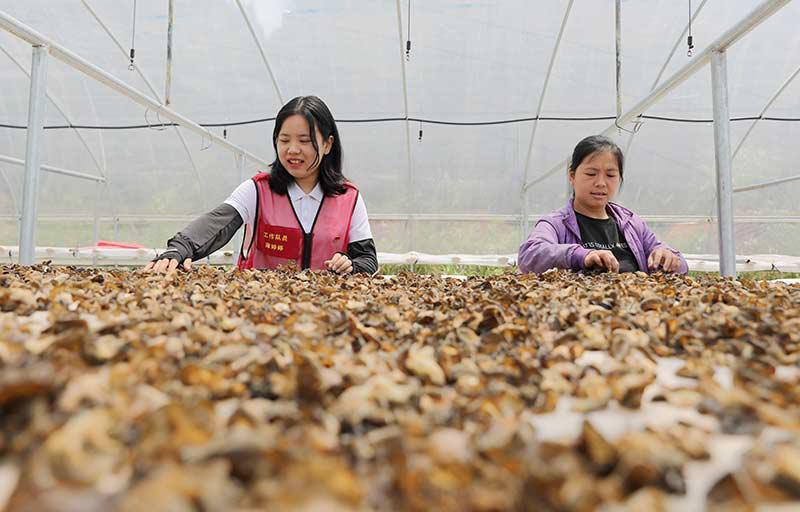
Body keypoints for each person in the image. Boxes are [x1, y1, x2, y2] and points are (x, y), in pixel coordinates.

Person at [145, 96, 378, 275]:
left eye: (305, 141)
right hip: (259, 317)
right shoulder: (258, 190)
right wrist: (180, 248)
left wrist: (350, 265)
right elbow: (216, 225)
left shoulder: (348, 198)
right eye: (284, 140)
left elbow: (367, 260)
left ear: (327, 144)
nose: (292, 149)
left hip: (322, 318)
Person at [518, 135, 687, 275]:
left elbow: (681, 265)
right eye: (591, 173)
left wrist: (668, 258)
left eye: (611, 175)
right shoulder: (556, 224)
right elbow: (530, 255)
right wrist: (581, 256)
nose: (601, 183)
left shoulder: (631, 224)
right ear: (572, 176)